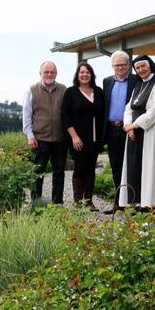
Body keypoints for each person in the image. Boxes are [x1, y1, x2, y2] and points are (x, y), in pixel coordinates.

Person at [119, 55, 155, 208]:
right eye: (137, 68)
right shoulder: (138, 85)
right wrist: (128, 126)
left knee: (148, 167)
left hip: (150, 130)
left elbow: (154, 111)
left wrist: (134, 126)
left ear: (150, 66)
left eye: (143, 66)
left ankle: (150, 202)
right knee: (133, 166)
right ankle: (135, 202)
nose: (140, 70)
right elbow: (128, 108)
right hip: (134, 133)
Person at [22, 60, 68, 203]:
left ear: (56, 73)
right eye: (46, 72)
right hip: (39, 140)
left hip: (60, 139)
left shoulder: (63, 89)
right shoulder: (31, 90)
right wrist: (30, 136)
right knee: (37, 173)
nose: (49, 74)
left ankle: (57, 204)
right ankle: (36, 203)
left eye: (52, 72)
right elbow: (27, 115)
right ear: (40, 73)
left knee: (59, 173)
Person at [61, 62, 104, 211]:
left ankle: (88, 201)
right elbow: (65, 115)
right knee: (80, 168)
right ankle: (78, 202)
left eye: (87, 72)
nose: (85, 75)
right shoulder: (71, 92)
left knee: (91, 169)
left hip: (95, 139)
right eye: (82, 72)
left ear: (91, 75)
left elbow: (103, 113)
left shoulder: (98, 91)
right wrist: (74, 136)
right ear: (77, 75)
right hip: (77, 139)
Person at [102, 51, 139, 214]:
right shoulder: (107, 81)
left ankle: (133, 202)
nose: (120, 68)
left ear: (128, 65)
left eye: (123, 64)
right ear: (112, 66)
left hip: (129, 129)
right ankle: (118, 203)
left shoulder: (135, 80)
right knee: (116, 166)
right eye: (117, 65)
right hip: (111, 129)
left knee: (132, 165)